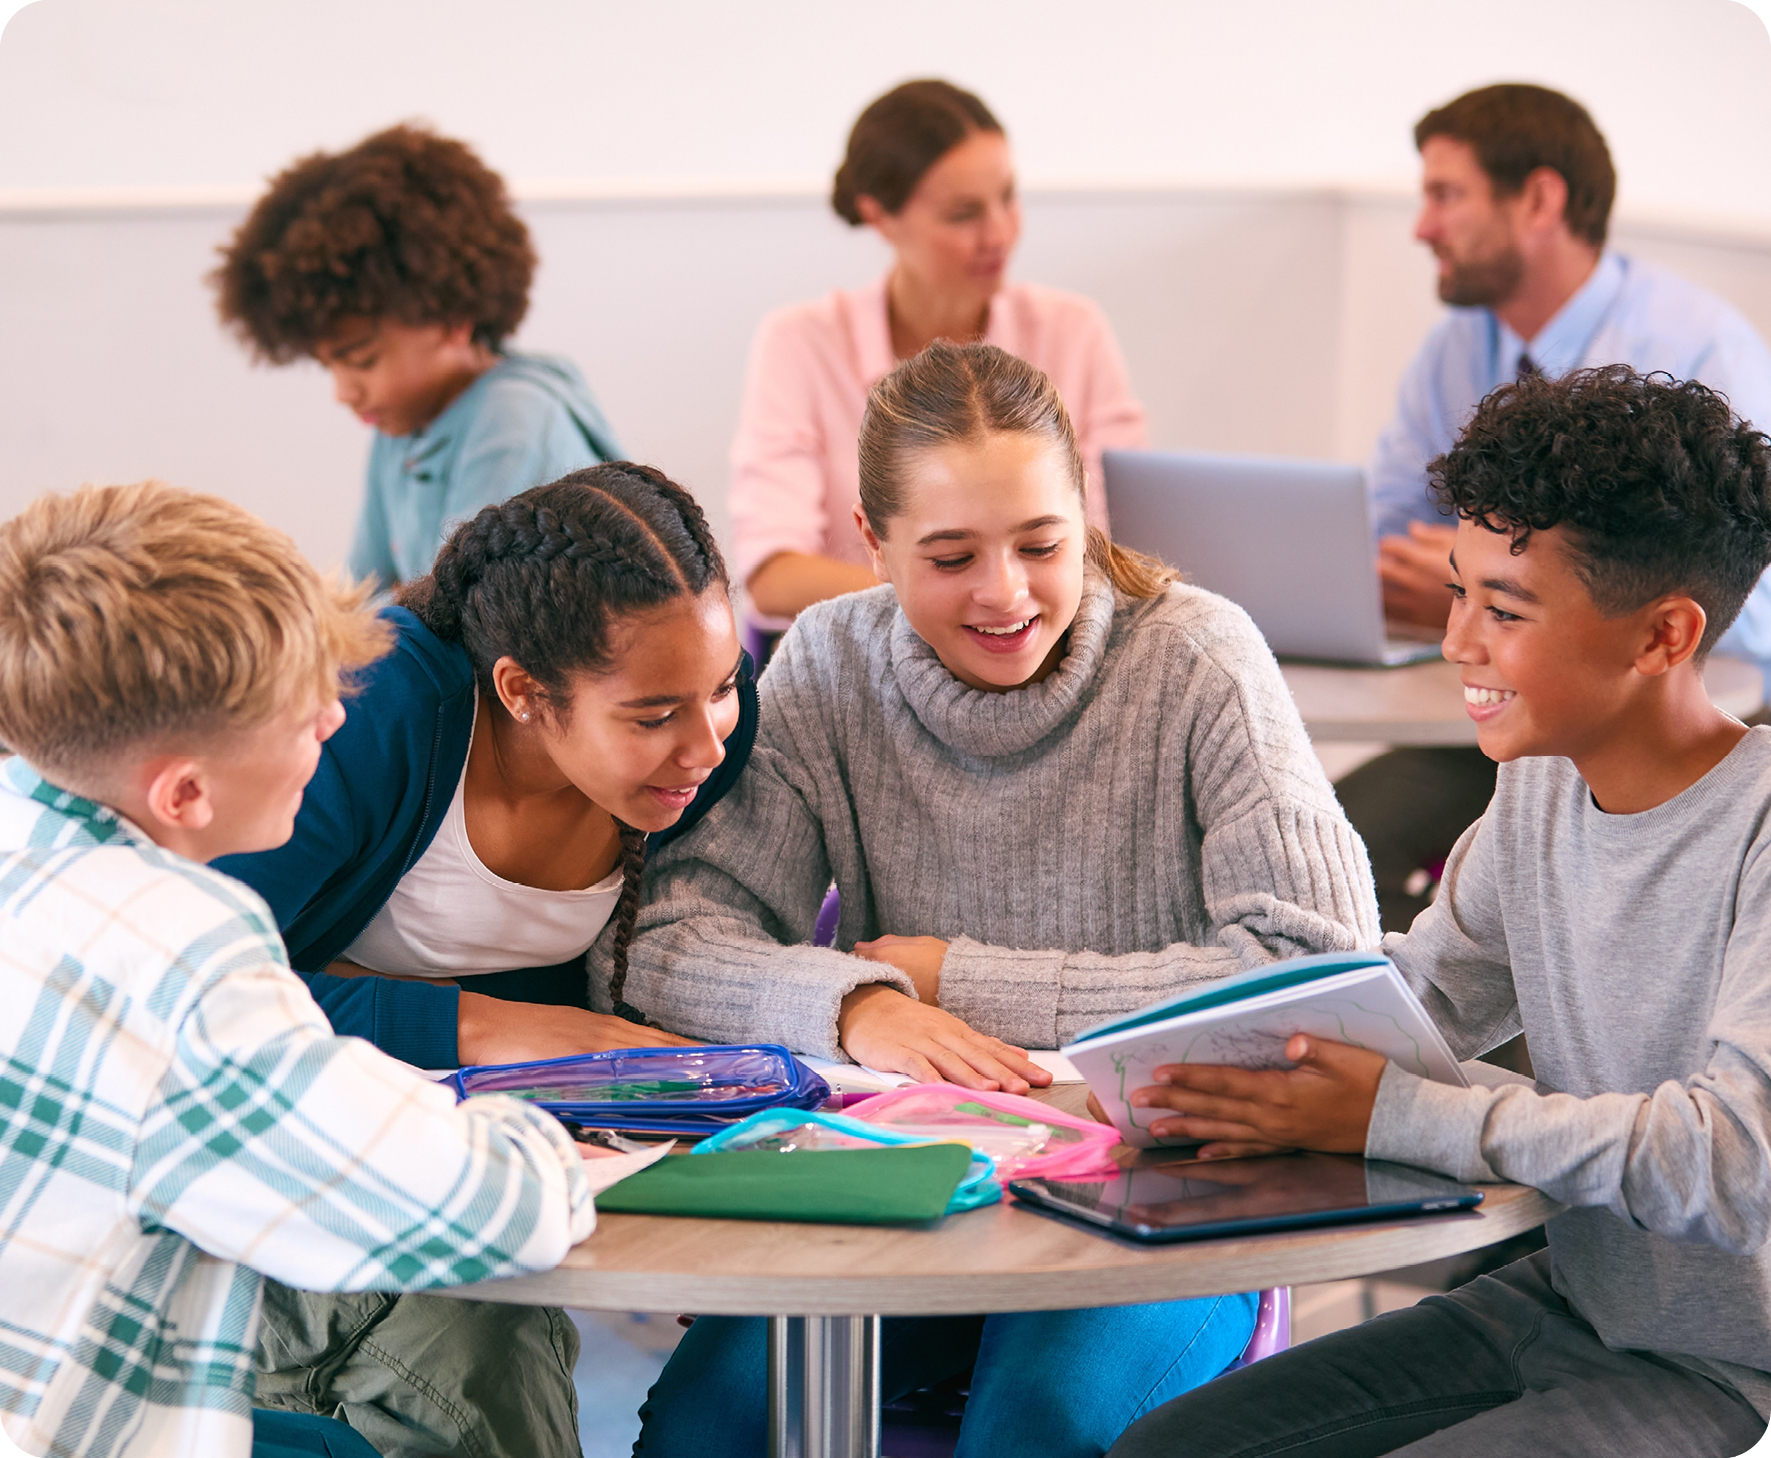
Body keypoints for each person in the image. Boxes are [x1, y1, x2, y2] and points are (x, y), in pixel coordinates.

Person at [615, 341, 1381, 1456]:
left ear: (1085, 514)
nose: (1006, 592)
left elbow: (1318, 968)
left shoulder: (1198, 657)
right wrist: (862, 1005)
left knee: (1035, 1427)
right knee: (706, 1421)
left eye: (1040, 543)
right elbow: (673, 935)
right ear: (870, 547)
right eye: (950, 555)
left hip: (1173, 1185)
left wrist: (955, 980)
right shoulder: (830, 660)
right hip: (922, 1177)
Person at [1109, 366, 1771, 1458]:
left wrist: (1400, 1116)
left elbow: (1729, 1164)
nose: (1457, 641)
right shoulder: (1541, 786)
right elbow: (1414, 1000)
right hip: (1573, 1305)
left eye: (1502, 610)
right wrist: (1184, 1072)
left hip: (1735, 1369)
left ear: (1662, 636)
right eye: (1457, 590)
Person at [0, 481, 597, 1458]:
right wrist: (530, 1138)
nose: (333, 723)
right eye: (302, 711)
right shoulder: (180, 948)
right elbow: (490, 1208)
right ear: (185, 792)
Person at [217, 463, 756, 1457]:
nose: (707, 744)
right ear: (520, 691)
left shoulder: (705, 736)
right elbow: (206, 996)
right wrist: (500, 1027)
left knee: (489, 1382)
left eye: (719, 688)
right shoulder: (374, 715)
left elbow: (703, 947)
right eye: (652, 715)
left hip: (503, 1160)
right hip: (289, 1156)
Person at [1345, 82, 1771, 933]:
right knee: (1344, 839)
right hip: (1519, 715)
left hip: (1660, 720)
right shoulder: (1455, 348)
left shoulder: (1697, 350)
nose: (1421, 226)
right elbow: (1381, 534)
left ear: (1538, 199)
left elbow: (1739, 606)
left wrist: (1502, 586)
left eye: (1444, 194)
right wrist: (1483, 590)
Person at [731, 78, 1147, 636]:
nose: (999, 232)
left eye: (1007, 196)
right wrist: (947, 602)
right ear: (878, 215)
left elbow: (1117, 546)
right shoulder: (800, 342)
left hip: (1038, 645)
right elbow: (775, 575)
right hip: (856, 653)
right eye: (962, 214)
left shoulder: (1072, 330)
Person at [212, 123, 621, 592]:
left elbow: (453, 617)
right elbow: (357, 594)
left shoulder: (516, 420)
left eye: (363, 360)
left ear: (451, 318)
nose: (343, 392)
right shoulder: (398, 424)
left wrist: (378, 615)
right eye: (329, 366)